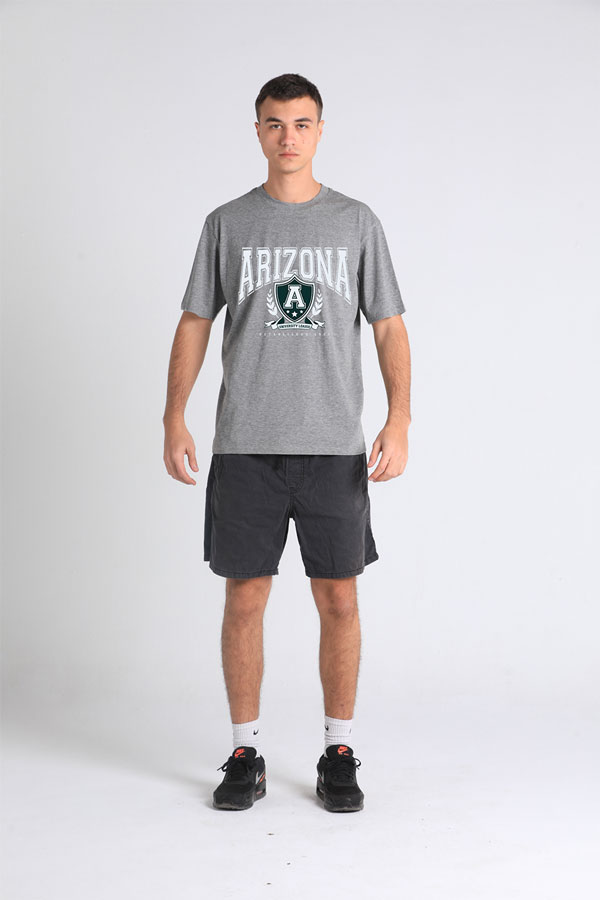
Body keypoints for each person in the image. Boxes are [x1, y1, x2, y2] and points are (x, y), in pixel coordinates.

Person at [163, 73, 411, 813]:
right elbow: (195, 321)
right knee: (245, 598)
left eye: (301, 124)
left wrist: (399, 418)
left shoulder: (356, 221)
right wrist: (174, 415)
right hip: (246, 445)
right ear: (258, 131)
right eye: (275, 124)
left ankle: (339, 750)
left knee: (339, 597)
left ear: (320, 130)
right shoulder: (228, 223)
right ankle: (246, 752)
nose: (288, 137)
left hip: (334, 444)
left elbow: (389, 326)